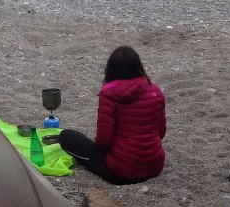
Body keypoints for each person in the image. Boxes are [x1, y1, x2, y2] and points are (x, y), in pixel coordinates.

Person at [50, 46, 166, 184]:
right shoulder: (156, 92)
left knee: (66, 136)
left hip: (122, 172)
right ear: (139, 67)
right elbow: (161, 132)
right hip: (155, 166)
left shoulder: (109, 94)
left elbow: (104, 142)